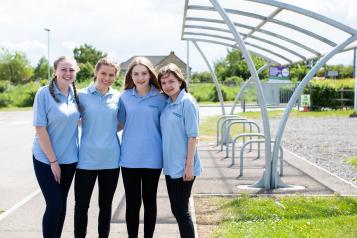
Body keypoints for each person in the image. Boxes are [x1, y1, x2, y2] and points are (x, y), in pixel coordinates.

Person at [32, 56, 81, 238]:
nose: (67, 73)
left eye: (71, 70)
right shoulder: (43, 93)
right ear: (55, 71)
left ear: (76, 73)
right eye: (63, 69)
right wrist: (53, 161)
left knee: (62, 203)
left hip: (69, 159)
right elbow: (40, 128)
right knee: (54, 204)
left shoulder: (77, 95)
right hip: (45, 158)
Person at [118, 57, 167, 238]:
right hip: (129, 157)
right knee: (132, 202)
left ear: (150, 74)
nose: (140, 77)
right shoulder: (123, 97)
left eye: (144, 73)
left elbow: (167, 126)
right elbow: (118, 124)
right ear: (131, 75)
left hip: (153, 158)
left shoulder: (161, 97)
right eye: (136, 73)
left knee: (149, 201)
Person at [74, 58, 121, 238]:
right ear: (96, 73)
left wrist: (106, 130)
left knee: (106, 205)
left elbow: (121, 122)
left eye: (111, 75)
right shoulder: (81, 95)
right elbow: (73, 119)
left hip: (111, 159)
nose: (106, 78)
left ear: (115, 76)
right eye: (103, 73)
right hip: (86, 159)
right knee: (81, 205)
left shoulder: (118, 96)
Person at [158, 63, 201, 238]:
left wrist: (189, 166)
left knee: (181, 211)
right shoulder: (168, 103)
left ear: (180, 81)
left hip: (184, 167)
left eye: (171, 81)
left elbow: (193, 136)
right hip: (170, 166)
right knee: (177, 209)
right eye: (163, 82)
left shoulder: (187, 102)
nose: (168, 86)